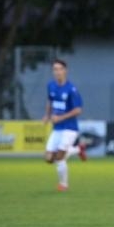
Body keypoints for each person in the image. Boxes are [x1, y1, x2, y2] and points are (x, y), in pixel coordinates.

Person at [42, 59, 87, 191]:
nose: (57, 72)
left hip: (70, 129)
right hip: (57, 129)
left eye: (60, 69)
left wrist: (60, 117)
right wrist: (47, 115)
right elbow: (49, 101)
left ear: (65, 71)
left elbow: (78, 109)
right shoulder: (51, 85)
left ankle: (63, 184)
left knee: (60, 157)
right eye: (55, 69)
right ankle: (78, 149)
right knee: (49, 158)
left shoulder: (71, 89)